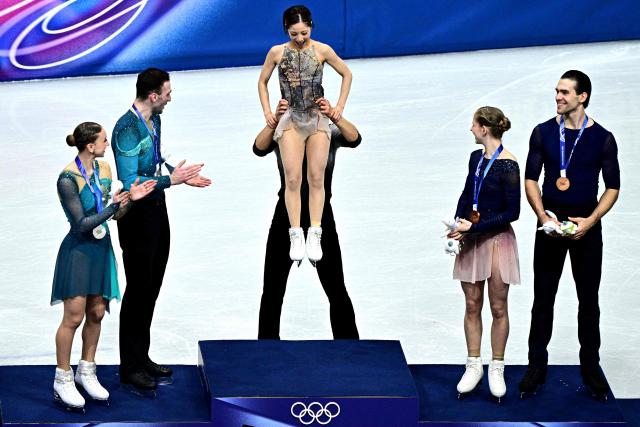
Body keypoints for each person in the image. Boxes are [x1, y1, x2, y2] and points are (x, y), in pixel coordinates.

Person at [519, 70, 620, 399]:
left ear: (582, 96)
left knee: (588, 301)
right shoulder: (544, 133)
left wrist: (590, 221)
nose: (558, 97)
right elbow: (531, 178)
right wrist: (542, 214)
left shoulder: (603, 138)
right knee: (542, 300)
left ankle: (590, 367)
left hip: (586, 231)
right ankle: (536, 366)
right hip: (549, 229)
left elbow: (613, 187)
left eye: (564, 92)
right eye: (557, 92)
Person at [112, 68, 211, 393]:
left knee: (151, 288)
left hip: (157, 211)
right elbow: (131, 183)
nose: (170, 97)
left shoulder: (153, 119)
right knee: (139, 290)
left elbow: (158, 152)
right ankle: (130, 367)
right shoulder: (126, 129)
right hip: (136, 217)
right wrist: (173, 181)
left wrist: (175, 171)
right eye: (167, 93)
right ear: (153, 95)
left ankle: (142, 357)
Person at [52, 122, 156, 412]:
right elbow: (82, 224)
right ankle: (62, 377)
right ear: (90, 146)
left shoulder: (105, 170)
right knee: (73, 317)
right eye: (104, 140)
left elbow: (115, 215)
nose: (107, 145)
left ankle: (87, 371)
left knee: (97, 312)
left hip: (101, 249)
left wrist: (128, 202)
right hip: (79, 252)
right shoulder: (67, 179)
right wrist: (112, 208)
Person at [255, 98, 359, 340]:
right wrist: (273, 120)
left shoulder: (326, 131)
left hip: (320, 219)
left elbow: (355, 138)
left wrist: (335, 115)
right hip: (286, 218)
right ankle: (266, 348)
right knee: (272, 289)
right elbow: (258, 148)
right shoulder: (284, 129)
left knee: (336, 287)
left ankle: (350, 347)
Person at [258, 5, 352, 265]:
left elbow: (346, 73)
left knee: (315, 176)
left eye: (304, 33)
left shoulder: (322, 50)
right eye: (294, 34)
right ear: (286, 31)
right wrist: (268, 111)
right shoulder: (277, 52)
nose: (299, 38)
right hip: (291, 120)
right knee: (293, 177)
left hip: (317, 117)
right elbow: (262, 81)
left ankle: (315, 232)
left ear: (311, 26)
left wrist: (338, 108)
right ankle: (295, 233)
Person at [447, 107, 520, 402]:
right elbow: (467, 194)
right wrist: (456, 224)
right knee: (472, 303)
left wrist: (472, 228)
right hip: (472, 239)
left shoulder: (508, 165)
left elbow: (511, 212)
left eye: (473, 124)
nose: (470, 129)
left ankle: (497, 366)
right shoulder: (476, 159)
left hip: (497, 240)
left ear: (484, 129)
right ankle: (474, 363)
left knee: (498, 306)